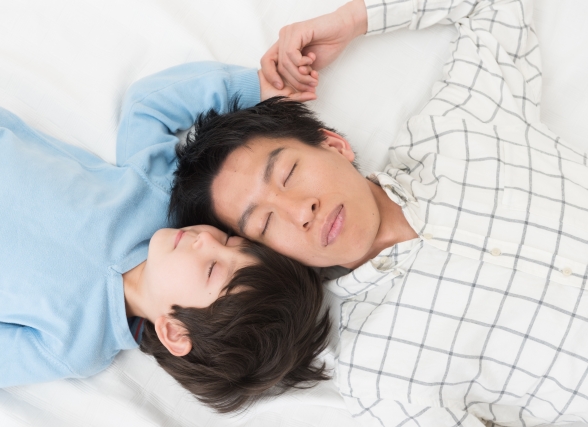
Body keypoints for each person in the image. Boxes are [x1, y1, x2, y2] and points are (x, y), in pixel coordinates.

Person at [169, 0, 588, 425]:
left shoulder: (459, 128)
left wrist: (352, 20)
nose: (300, 211)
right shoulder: (380, 373)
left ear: (333, 144)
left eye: (289, 172)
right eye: (266, 222)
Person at [0, 62, 331, 413]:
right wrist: (254, 87)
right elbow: (149, 108)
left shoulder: (76, 345)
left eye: (213, 269)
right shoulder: (160, 197)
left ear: (174, 332)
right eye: (232, 242)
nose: (208, 239)